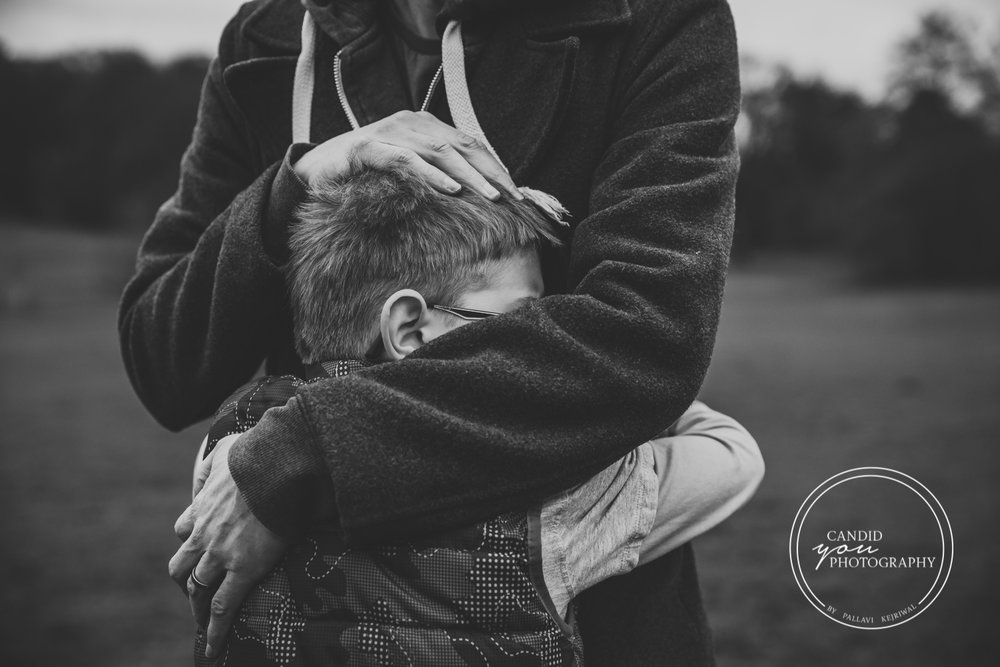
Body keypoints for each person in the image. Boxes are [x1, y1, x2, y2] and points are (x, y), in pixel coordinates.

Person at [122, 0, 742, 663]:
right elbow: (163, 360)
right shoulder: (265, 35)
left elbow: (651, 333)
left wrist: (303, 453)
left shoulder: (658, 16)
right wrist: (293, 188)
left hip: (607, 621)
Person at [187, 166, 762, 665]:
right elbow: (733, 457)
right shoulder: (554, 493)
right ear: (411, 329)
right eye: (524, 321)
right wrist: (624, 379)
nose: (543, 341)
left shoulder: (230, 454)